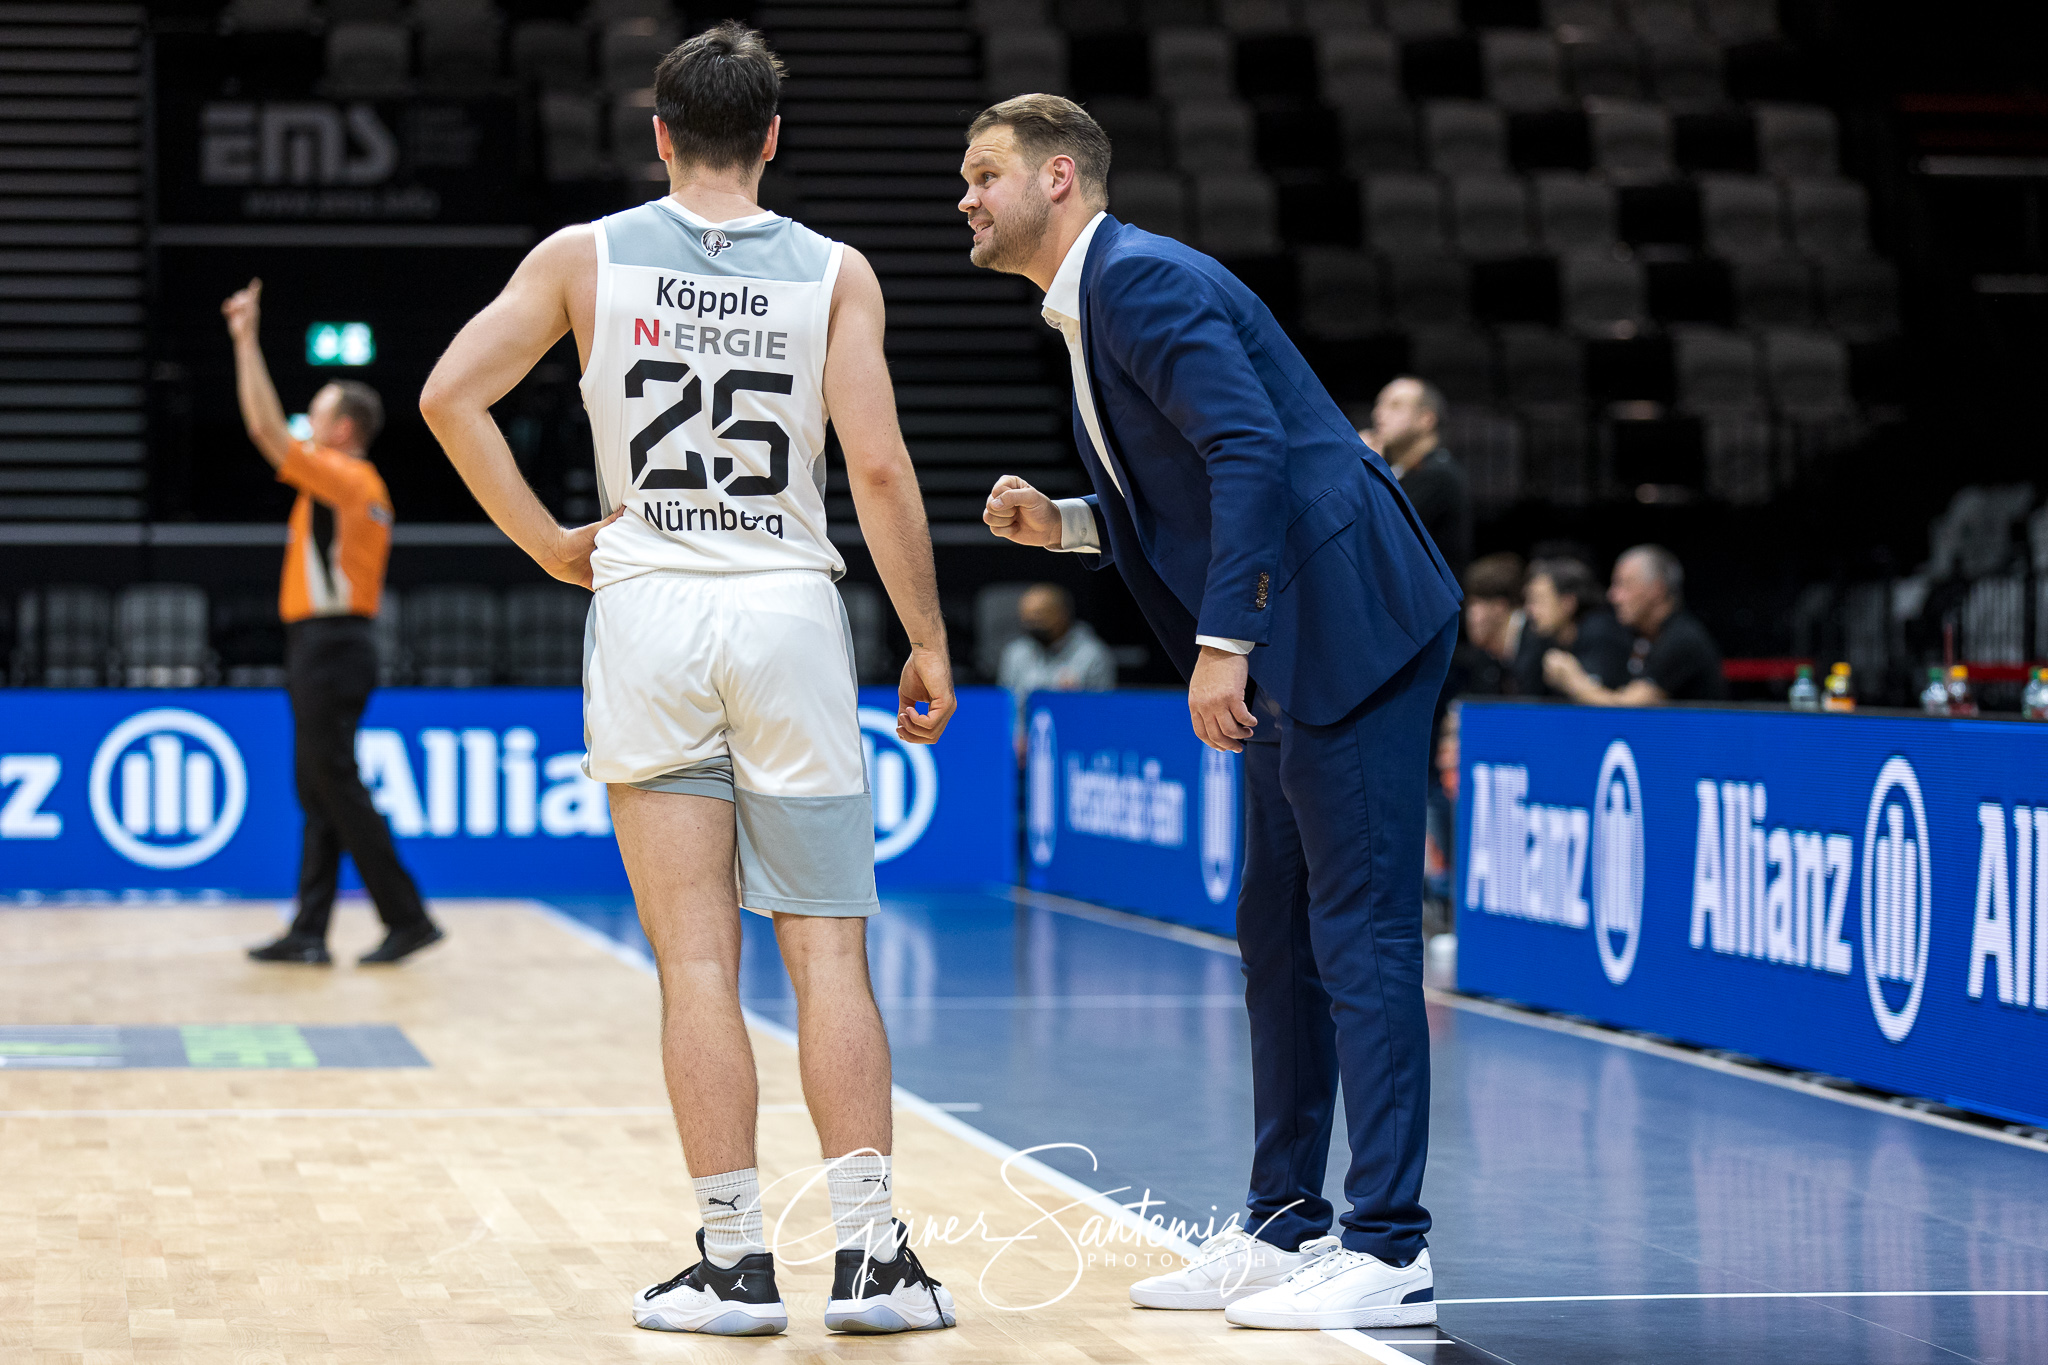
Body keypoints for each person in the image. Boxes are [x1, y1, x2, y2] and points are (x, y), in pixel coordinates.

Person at [418, 24, 958, 1338]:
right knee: (830, 950)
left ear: (658, 133)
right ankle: (877, 1261)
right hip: (785, 609)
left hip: (650, 605)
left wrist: (548, 539)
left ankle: (731, 1264)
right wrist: (928, 637)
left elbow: (447, 396)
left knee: (696, 962)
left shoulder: (582, 257)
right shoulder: (836, 272)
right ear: (773, 136)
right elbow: (880, 471)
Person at [968, 94, 1461, 1331]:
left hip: (1345, 619)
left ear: (1059, 180)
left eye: (983, 176)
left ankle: (1390, 1248)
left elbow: (1249, 451)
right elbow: (1186, 480)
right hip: (1292, 626)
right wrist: (1070, 525)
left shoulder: (1136, 281)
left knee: (1357, 932)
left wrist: (1218, 643)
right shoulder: (1093, 302)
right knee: (1275, 932)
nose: (964, 200)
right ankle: (1285, 1227)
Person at [222, 280, 444, 969]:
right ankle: (311, 928)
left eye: (315, 416)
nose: (305, 425)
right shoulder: (353, 486)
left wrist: (244, 339)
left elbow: (262, 430)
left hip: (331, 643)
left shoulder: (347, 480)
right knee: (319, 787)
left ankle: (407, 916)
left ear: (343, 428)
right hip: (332, 644)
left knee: (335, 783)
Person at [1544, 544, 1727, 704]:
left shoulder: (1682, 641)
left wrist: (1573, 681)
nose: (1613, 596)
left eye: (1623, 585)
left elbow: (1626, 711)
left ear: (1656, 590)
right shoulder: (1641, 637)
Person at [1362, 376, 1471, 579]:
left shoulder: (1440, 474)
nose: (1378, 414)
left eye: (1395, 406)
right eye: (1378, 405)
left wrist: (1364, 469)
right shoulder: (1399, 471)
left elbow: (1384, 531)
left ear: (1426, 419)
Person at [1514, 557, 1632, 697]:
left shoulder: (1603, 635)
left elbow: (1606, 707)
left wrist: (1571, 680)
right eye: (1528, 601)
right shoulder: (1540, 638)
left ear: (1568, 603)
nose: (1529, 610)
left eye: (1538, 600)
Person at [996, 582, 1116, 704]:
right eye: (1026, 616)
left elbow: (1102, 709)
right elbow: (1005, 705)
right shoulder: (1015, 653)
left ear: (1062, 614)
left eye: (1038, 614)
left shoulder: (1093, 654)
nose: (1030, 623)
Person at [1448, 551, 1523, 698]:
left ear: (1499, 607)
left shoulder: (1537, 648)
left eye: (1475, 604)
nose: (1468, 617)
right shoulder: (1487, 661)